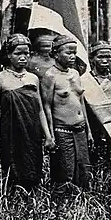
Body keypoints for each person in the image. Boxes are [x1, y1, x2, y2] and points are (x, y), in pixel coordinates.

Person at [0, 34, 52, 194]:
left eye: (26, 54)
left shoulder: (34, 78)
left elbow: (40, 109)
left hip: (32, 132)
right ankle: (11, 202)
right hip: (11, 132)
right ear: (9, 55)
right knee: (11, 167)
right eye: (18, 53)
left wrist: (48, 135)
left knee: (33, 165)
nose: (23, 58)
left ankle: (31, 201)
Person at [41, 35, 92, 193]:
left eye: (74, 53)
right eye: (68, 52)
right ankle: (62, 209)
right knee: (65, 173)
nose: (73, 56)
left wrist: (88, 131)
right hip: (62, 130)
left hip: (81, 129)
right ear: (56, 54)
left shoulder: (76, 73)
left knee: (84, 170)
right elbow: (46, 107)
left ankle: (83, 205)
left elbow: (80, 102)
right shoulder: (50, 76)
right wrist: (50, 136)